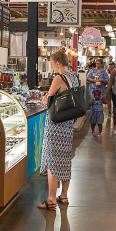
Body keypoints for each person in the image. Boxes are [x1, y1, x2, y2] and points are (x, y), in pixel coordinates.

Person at [39, 49, 81, 210]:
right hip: (68, 123)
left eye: (51, 63)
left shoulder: (58, 78)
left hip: (56, 124)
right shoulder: (74, 77)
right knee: (65, 159)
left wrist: (44, 98)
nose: (51, 66)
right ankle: (63, 195)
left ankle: (50, 199)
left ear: (57, 62)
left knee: (52, 160)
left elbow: (48, 101)